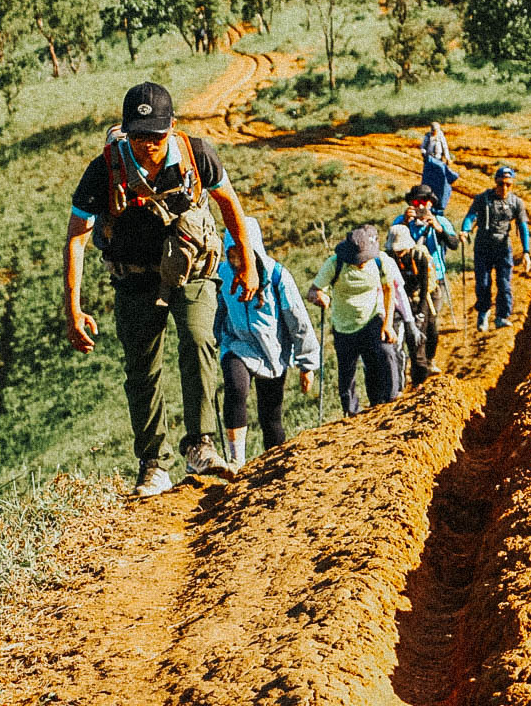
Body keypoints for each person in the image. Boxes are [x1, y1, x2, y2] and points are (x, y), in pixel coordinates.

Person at [64, 82, 260, 497]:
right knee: (142, 367)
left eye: (155, 136)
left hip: (192, 268)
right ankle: (153, 464)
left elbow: (229, 204)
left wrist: (246, 262)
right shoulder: (105, 168)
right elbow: (77, 236)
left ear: (171, 127)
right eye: (138, 136)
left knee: (199, 338)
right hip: (134, 276)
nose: (147, 145)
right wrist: (73, 307)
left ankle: (202, 445)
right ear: (125, 131)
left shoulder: (196, 154)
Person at [215, 216, 319, 469]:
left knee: (270, 417)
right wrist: (214, 339)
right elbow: (217, 309)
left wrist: (307, 364)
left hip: (273, 353)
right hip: (237, 343)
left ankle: (274, 467)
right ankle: (236, 460)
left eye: (242, 254)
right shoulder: (222, 273)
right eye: (232, 254)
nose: (236, 260)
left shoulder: (276, 276)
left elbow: (297, 319)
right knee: (235, 388)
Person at [307, 225, 398, 416]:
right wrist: (319, 296)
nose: (361, 263)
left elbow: (390, 289)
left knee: (384, 355)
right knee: (347, 374)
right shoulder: (335, 264)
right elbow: (313, 291)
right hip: (344, 326)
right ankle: (351, 414)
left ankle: (388, 402)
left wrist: (388, 324)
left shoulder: (381, 261)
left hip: (372, 318)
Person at [460, 166, 531, 332]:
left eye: (508, 184)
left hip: (503, 248)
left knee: (504, 283)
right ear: (495, 182)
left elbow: (523, 227)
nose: (504, 188)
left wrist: (526, 252)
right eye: (501, 184)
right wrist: (465, 230)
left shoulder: (516, 203)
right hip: (483, 246)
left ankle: (502, 316)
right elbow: (471, 216)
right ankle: (483, 314)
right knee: (483, 283)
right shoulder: (483, 199)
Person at [387, 224, 440, 383]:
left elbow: (424, 287)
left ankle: (419, 380)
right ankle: (398, 382)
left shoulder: (419, 256)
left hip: (418, 299)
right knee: (397, 344)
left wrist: (421, 313)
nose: (399, 253)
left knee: (418, 341)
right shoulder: (388, 258)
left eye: (401, 250)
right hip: (397, 301)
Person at [420, 123, 460, 210]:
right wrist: (424, 153)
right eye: (433, 130)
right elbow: (423, 146)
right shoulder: (427, 136)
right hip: (429, 161)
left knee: (441, 178)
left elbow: (445, 148)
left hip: (438, 160)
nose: (434, 132)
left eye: (436, 131)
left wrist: (448, 158)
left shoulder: (441, 136)